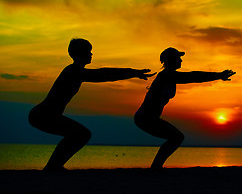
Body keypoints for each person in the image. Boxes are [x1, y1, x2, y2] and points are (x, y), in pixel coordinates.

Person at [29, 38, 155, 171]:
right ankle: (53, 166)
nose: (91, 54)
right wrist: (133, 72)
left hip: (44, 114)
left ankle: (53, 166)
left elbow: (104, 74)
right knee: (81, 134)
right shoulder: (73, 71)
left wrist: (133, 73)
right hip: (43, 115)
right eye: (88, 51)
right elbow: (104, 74)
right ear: (80, 53)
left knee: (78, 134)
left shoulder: (75, 71)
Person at [134, 47, 235, 170]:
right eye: (178, 58)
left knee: (176, 137)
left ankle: (156, 167)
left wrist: (218, 76)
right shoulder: (166, 75)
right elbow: (193, 76)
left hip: (148, 117)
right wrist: (218, 75)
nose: (181, 61)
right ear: (172, 60)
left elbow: (192, 77)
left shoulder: (169, 76)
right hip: (145, 117)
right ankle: (156, 167)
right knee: (176, 137)